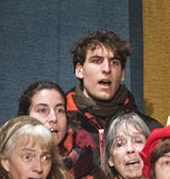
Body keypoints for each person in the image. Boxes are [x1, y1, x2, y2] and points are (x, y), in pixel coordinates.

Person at [65, 30, 158, 158]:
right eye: (97, 61)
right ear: (79, 70)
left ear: (122, 74)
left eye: (114, 62)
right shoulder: (60, 126)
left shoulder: (150, 130)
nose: (107, 69)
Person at [21, 80, 101, 179]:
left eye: (60, 110)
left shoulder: (90, 169)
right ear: (25, 118)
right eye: (43, 110)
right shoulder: (9, 168)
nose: (54, 118)